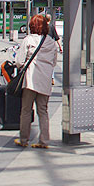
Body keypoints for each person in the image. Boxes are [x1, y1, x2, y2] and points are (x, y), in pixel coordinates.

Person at [14, 14, 58, 149]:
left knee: (26, 110)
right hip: (45, 79)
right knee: (43, 111)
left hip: (30, 80)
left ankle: (23, 139)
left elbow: (19, 61)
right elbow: (54, 62)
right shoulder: (51, 42)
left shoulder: (28, 40)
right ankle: (44, 141)